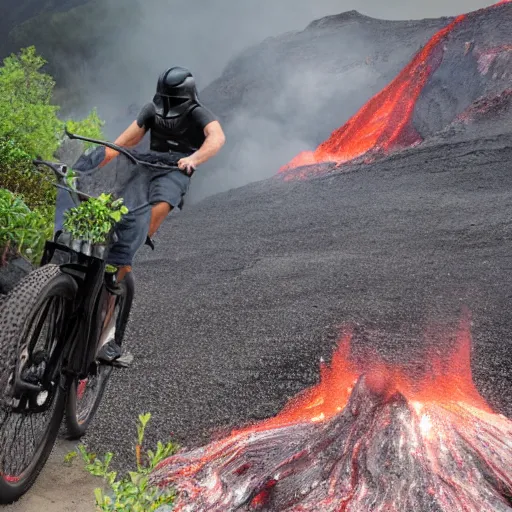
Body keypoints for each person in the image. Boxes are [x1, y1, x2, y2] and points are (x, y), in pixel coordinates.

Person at [95, 66, 225, 364]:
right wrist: (93, 163)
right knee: (114, 212)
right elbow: (124, 141)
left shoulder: (197, 113)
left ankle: (107, 332)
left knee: (148, 218)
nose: (167, 108)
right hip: (145, 165)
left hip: (174, 171)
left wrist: (192, 159)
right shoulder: (151, 109)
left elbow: (216, 138)